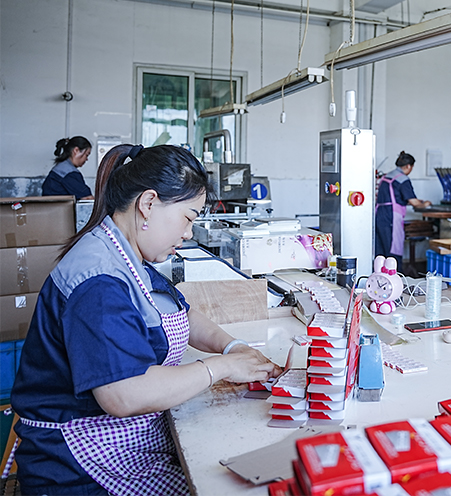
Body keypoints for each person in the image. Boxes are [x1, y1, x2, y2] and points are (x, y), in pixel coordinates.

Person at [11, 144, 281, 496]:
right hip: (78, 466)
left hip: (124, 446)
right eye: (188, 218)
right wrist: (221, 367)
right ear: (148, 203)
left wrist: (234, 347)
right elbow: (124, 394)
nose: (188, 233)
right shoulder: (99, 281)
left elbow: (182, 314)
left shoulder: (125, 254)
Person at [375, 151, 431, 258]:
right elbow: (414, 203)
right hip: (390, 217)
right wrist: (425, 204)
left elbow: (394, 197)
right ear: (408, 166)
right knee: (392, 252)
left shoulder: (387, 176)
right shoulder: (402, 179)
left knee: (381, 251)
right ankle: (395, 269)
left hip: (380, 215)